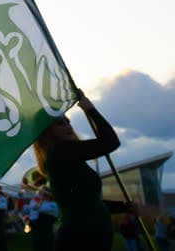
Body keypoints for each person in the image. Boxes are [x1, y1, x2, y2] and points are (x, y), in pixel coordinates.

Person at [33, 91, 131, 251]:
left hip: (91, 238)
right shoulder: (60, 152)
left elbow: (87, 202)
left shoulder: (69, 156)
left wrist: (124, 207)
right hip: (79, 240)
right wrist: (89, 109)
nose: (68, 125)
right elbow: (110, 142)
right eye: (60, 123)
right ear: (46, 132)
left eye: (67, 121)